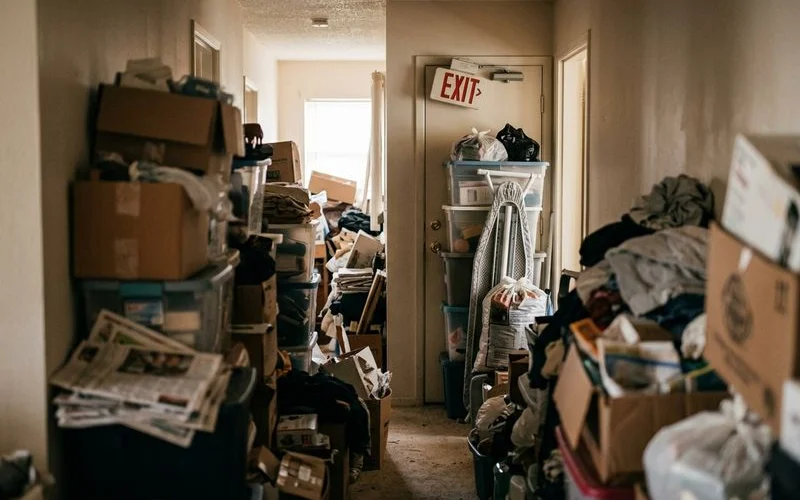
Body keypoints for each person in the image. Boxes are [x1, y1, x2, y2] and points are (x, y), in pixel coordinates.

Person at [778, 201, 799, 267]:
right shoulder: (793, 217)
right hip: (790, 232)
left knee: (787, 244)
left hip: (790, 232)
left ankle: (783, 261)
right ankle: (783, 260)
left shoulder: (794, 217)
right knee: (786, 244)